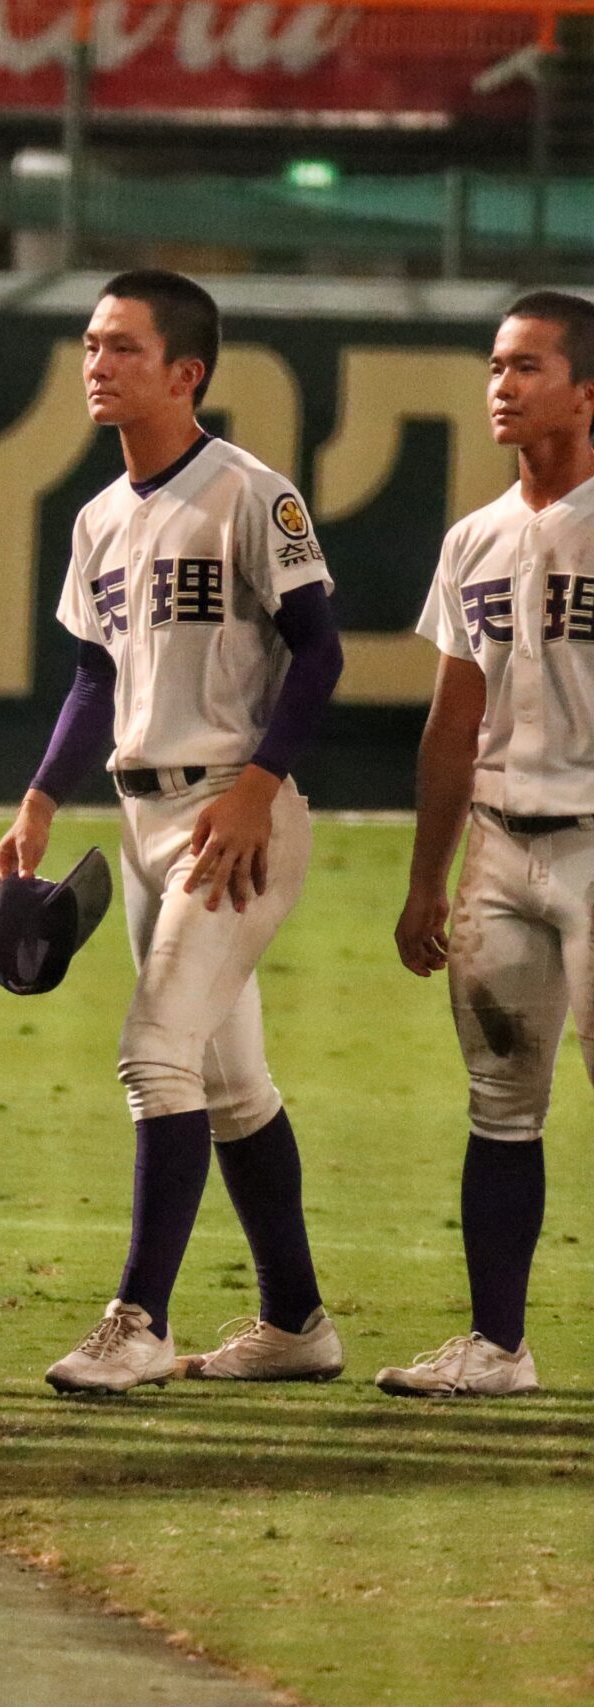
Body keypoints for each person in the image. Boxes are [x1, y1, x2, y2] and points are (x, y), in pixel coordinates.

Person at [0, 270, 348, 1396]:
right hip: (143, 813)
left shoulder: (248, 492)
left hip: (233, 815)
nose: (96, 364)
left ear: (185, 372)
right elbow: (95, 670)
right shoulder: (100, 518)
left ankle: (136, 1321)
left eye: (122, 348)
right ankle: (295, 1325)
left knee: (154, 1054)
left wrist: (258, 784)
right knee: (230, 1084)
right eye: (91, 345)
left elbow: (320, 648)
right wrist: (45, 792)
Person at [380, 290, 594, 1399]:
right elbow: (452, 721)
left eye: (527, 366)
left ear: (588, 391)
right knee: (499, 1101)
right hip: (502, 850)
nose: (500, 385)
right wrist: (428, 877)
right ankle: (497, 1346)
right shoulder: (474, 536)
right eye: (494, 366)